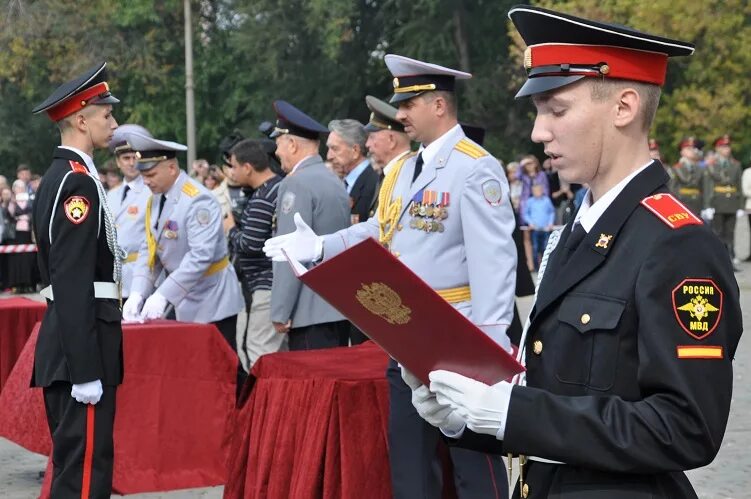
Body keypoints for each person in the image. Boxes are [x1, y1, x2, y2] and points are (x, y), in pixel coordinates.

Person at [403, 6, 743, 499]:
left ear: (624, 107)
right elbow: (559, 395)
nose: (539, 131)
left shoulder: (676, 244)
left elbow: (686, 427)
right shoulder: (576, 232)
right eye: (539, 112)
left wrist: (512, 412)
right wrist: (465, 417)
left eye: (556, 110)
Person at [264, 55, 516, 499]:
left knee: (474, 465)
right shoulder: (402, 168)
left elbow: (493, 261)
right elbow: (380, 229)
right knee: (409, 463)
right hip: (403, 335)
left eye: (409, 104)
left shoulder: (475, 166)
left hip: (457, 335)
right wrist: (322, 246)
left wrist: (491, 345)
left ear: (439, 104)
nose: (399, 114)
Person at [30, 61, 124, 498]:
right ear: (82, 120)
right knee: (85, 470)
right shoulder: (77, 184)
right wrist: (86, 369)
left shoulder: (62, 177)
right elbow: (71, 280)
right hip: (80, 352)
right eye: (107, 115)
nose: (114, 123)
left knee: (78, 465)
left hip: (74, 343)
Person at [121, 132, 245, 369]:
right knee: (190, 368)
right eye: (143, 175)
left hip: (211, 296)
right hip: (181, 294)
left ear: (171, 167)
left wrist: (162, 295)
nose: (145, 181)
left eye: (151, 174)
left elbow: (201, 256)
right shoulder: (156, 198)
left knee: (222, 366)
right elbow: (150, 249)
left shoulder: (198, 200)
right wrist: (138, 292)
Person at [267, 100, 352, 350]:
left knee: (312, 386)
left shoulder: (296, 184)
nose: (277, 152)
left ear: (291, 144)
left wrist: (281, 310)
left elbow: (289, 251)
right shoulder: (333, 179)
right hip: (338, 308)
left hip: (308, 311)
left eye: (279, 144)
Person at [224, 138, 286, 368]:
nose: (232, 172)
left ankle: (262, 403)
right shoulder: (279, 187)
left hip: (263, 285)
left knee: (257, 352)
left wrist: (231, 229)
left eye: (234, 166)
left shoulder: (262, 197)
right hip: (275, 282)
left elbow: (250, 244)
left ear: (247, 167)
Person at [106, 124, 154, 299]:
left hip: (141, 275)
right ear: (118, 162)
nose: (132, 163)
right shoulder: (110, 195)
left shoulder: (152, 193)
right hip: (114, 277)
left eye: (135, 157)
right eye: (126, 158)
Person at [363, 94, 413, 215]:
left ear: (391, 140)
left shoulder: (408, 174)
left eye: (372, 137)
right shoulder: (391, 173)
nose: (367, 144)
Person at [327, 119, 378, 225]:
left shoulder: (374, 184)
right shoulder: (341, 183)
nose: (329, 156)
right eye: (329, 149)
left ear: (355, 150)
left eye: (335, 149)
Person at [704, 134, 743, 264]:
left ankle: (731, 257)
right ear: (718, 149)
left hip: (732, 201)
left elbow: (739, 186)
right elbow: (708, 185)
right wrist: (708, 205)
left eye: (728, 146)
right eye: (723, 146)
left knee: (731, 232)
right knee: (718, 232)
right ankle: (719, 258)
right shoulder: (712, 165)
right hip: (718, 201)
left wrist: (741, 206)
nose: (727, 149)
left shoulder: (736, 165)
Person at [6, 179, 37, 293]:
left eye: (22, 187)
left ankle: (29, 283)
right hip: (16, 235)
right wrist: (12, 203)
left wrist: (26, 217)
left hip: (27, 233)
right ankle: (17, 284)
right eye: (18, 187)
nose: (20, 189)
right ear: (14, 189)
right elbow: (9, 215)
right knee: (17, 260)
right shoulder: (12, 202)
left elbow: (33, 213)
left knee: (28, 259)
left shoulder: (29, 200)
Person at [522, 183, 554, 270]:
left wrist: (550, 223)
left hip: (545, 229)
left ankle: (546, 269)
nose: (538, 192)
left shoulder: (547, 200)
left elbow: (551, 212)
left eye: (539, 190)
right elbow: (525, 214)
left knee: (546, 248)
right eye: (535, 190)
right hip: (535, 230)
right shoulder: (530, 201)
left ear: (542, 190)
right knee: (535, 249)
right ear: (532, 191)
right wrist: (530, 223)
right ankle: (536, 268)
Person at [669, 137, 704, 216]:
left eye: (693, 148)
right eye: (688, 148)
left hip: (697, 203)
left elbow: (703, 187)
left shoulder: (699, 168)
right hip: (682, 203)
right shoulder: (676, 168)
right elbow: (672, 188)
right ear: (682, 152)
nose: (692, 150)